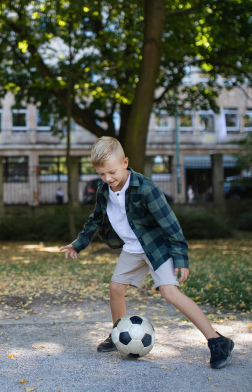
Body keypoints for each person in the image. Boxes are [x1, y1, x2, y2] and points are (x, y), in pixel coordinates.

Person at [59, 137, 235, 369]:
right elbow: (95, 220)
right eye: (101, 174)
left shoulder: (146, 188)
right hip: (132, 249)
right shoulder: (104, 189)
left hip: (156, 247)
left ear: (125, 162)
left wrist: (181, 257)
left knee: (169, 292)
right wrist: (78, 243)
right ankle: (117, 334)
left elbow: (170, 225)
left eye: (111, 172)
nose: (107, 179)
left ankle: (217, 340)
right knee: (116, 288)